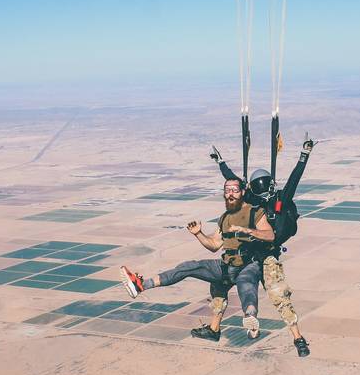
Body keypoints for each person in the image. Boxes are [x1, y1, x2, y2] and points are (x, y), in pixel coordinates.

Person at [119, 178, 274, 342]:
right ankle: (141, 285)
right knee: (189, 267)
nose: (230, 194)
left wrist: (246, 230)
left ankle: (251, 319)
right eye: (227, 190)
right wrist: (198, 234)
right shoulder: (224, 218)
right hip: (226, 265)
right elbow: (214, 244)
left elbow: (270, 235)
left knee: (246, 285)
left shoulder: (255, 213)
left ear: (242, 192)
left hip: (248, 265)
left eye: (234, 190)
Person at [210, 138, 312, 357]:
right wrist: (221, 164)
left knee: (271, 293)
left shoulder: (269, 200)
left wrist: (304, 155)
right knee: (271, 295)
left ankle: (297, 338)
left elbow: (294, 178)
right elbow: (235, 183)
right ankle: (297, 339)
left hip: (263, 257)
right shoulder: (264, 199)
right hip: (256, 256)